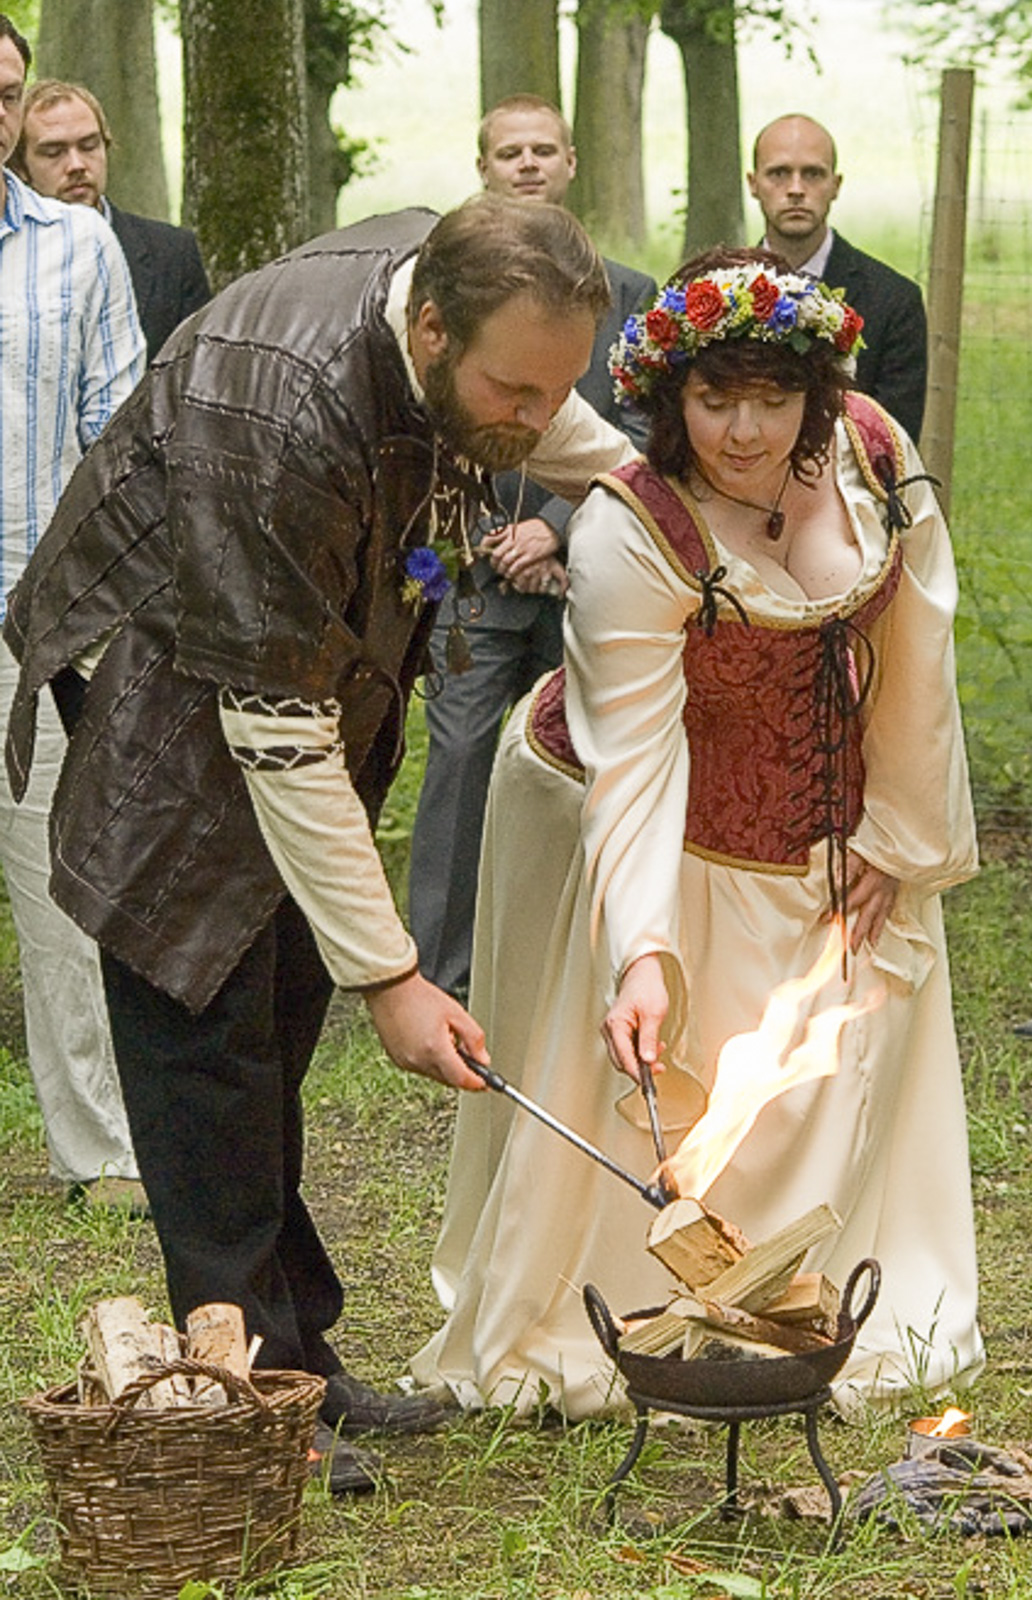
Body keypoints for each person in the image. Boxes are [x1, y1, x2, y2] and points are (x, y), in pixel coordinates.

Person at [4, 193, 636, 1490]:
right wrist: (394, 975)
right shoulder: (278, 407)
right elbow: (275, 730)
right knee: (208, 1066)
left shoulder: (460, 291)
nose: (535, 420)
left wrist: (647, 486)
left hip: (298, 714)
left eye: (555, 387)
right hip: (173, 741)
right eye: (513, 391)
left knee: (277, 1042)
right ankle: (248, 1403)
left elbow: (548, 415)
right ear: (430, 328)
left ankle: (304, 1361)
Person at [410, 248, 983, 1420]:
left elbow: (918, 646)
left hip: (834, 822)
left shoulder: (876, 458)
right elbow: (637, 761)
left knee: (837, 1037)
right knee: (661, 1068)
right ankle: (627, 1301)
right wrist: (644, 952)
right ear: (670, 396)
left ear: (818, 393)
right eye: (716, 399)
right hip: (636, 811)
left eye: (774, 399)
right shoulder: (633, 528)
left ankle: (803, 1298)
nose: (745, 432)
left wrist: (894, 830)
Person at [408, 94, 656, 1000]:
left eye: (542, 150)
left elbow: (641, 430)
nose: (526, 165)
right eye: (508, 152)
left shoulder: (629, 294)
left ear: (571, 162)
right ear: (484, 169)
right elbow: (423, 433)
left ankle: (575, 966)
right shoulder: (445, 289)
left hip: (580, 574)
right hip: (464, 575)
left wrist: (554, 527)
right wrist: (457, 556)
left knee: (578, 763)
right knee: (459, 763)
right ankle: (441, 973)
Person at [0, 16, 147, 1213]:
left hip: (31, 624)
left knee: (60, 894)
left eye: (5, 94)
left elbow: (120, 430)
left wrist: (100, 600)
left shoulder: (77, 244)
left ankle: (98, 1148)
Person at [748, 113, 927, 442]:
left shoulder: (894, 302)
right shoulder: (714, 295)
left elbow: (893, 442)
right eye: (779, 173)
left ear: (836, 185)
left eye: (813, 174)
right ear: (753, 183)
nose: (796, 189)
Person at [13, 79, 211, 363]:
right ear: (20, 167)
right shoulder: (10, 256)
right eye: (54, 152)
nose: (77, 165)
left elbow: (200, 370)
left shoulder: (173, 254)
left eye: (89, 146)